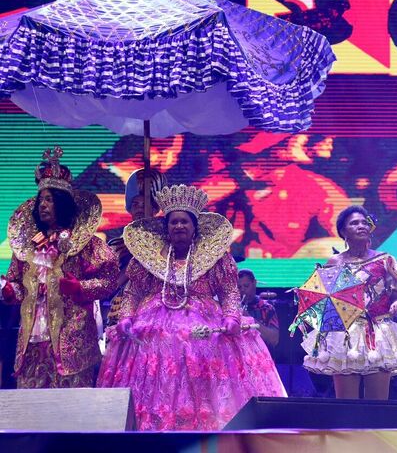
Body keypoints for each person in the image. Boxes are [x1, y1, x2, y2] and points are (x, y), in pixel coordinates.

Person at [97, 184, 286, 430]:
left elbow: (228, 290)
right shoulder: (150, 257)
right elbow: (133, 290)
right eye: (173, 222)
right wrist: (126, 316)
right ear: (166, 227)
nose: (179, 226)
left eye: (184, 222)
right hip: (153, 325)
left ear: (194, 227)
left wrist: (231, 316)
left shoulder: (216, 258)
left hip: (204, 325)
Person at [0, 147, 119, 388]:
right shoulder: (27, 246)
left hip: (71, 336)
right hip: (32, 340)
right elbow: (17, 284)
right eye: (41, 199)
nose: (42, 205)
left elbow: (109, 279)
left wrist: (79, 288)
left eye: (49, 200)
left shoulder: (86, 242)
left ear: (62, 204)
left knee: (71, 406)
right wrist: (10, 290)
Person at [301, 205, 397, 399]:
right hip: (344, 335)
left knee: (378, 405)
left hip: (378, 333)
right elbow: (324, 300)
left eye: (365, 222)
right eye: (354, 223)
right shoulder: (334, 262)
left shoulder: (385, 260)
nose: (362, 226)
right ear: (343, 232)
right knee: (347, 407)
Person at [104, 168, 167, 326]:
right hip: (122, 309)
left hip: (159, 310)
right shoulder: (116, 245)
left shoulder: (166, 242)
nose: (139, 208)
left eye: (144, 204)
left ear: (154, 209)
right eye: (135, 204)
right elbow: (109, 283)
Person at [237, 269, 280, 348]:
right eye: (239, 287)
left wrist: (249, 319)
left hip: (263, 356)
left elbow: (274, 340)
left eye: (246, 286)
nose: (242, 290)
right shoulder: (234, 308)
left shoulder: (267, 308)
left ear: (254, 283)